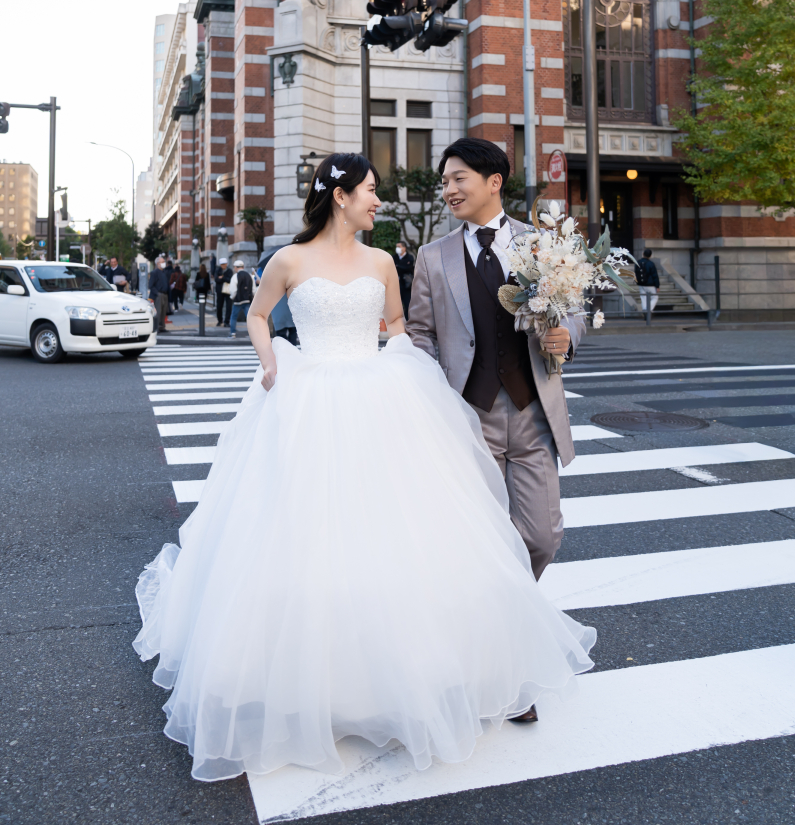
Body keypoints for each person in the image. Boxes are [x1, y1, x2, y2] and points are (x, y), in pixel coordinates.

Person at [133, 152, 595, 782]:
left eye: (455, 178)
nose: (381, 200)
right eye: (372, 191)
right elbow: (261, 315)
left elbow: (403, 328)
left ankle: (494, 653)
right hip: (309, 395)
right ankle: (332, 674)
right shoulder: (292, 260)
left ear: (491, 183)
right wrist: (271, 362)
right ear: (341, 195)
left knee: (450, 535)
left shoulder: (387, 262)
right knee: (312, 535)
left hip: (395, 393)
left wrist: (410, 376)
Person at [407, 138, 578, 602]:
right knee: (477, 539)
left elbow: (573, 311)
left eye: (458, 179)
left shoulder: (540, 244)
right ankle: (494, 633)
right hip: (467, 416)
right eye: (444, 183)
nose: (448, 191)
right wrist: (428, 386)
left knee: (542, 537)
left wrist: (567, 336)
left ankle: (510, 614)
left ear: (493, 182)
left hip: (532, 413)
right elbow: (421, 331)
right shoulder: (432, 257)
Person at [226, 259, 254, 338]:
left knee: (234, 317)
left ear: (235, 267)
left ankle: (233, 333)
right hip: (248, 299)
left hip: (238, 300)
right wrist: (253, 296)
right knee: (249, 318)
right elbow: (253, 288)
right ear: (243, 267)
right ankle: (252, 334)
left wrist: (232, 297)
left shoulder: (235, 276)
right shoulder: (249, 275)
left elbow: (233, 289)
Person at [393, 239, 415, 318]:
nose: (397, 248)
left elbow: (408, 267)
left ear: (404, 248)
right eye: (397, 247)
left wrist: (398, 266)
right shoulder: (394, 257)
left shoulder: (409, 257)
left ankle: (407, 322)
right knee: (395, 305)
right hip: (396, 285)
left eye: (399, 246)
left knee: (407, 304)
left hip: (406, 284)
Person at [147, 258, 171, 334]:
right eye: (162, 262)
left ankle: (162, 327)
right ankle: (157, 327)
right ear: (158, 263)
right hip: (159, 294)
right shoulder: (154, 272)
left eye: (164, 261)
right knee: (158, 311)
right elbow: (151, 285)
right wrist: (157, 293)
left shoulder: (164, 272)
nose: (164, 263)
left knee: (164, 311)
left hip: (165, 293)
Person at [636, 247, 660, 313]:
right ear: (650, 255)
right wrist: (657, 286)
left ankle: (644, 310)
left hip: (641, 283)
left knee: (643, 298)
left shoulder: (638, 262)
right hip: (650, 284)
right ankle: (648, 310)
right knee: (654, 297)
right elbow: (655, 275)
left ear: (643, 254)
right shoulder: (651, 264)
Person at [214, 260, 232, 328]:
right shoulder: (218, 270)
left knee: (228, 306)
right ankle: (220, 320)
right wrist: (224, 279)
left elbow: (229, 280)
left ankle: (227, 321)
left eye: (224, 264)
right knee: (219, 306)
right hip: (220, 291)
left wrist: (222, 278)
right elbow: (216, 279)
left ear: (227, 264)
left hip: (227, 291)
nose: (223, 265)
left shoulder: (229, 270)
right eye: (222, 264)